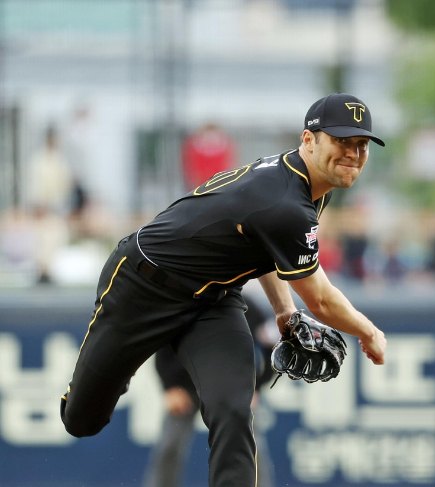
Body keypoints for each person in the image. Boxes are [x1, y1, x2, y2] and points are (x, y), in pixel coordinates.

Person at [60, 92, 388, 487]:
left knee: (234, 409)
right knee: (81, 420)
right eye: (341, 141)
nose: (353, 153)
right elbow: (319, 298)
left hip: (212, 300)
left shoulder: (307, 183)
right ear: (309, 139)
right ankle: (119, 362)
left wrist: (284, 312)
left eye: (361, 144)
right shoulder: (286, 200)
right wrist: (368, 331)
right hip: (142, 284)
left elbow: (263, 246)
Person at [143, 295, 277, 487]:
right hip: (186, 389)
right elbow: (162, 346)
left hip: (233, 389)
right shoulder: (184, 302)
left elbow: (273, 347)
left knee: (252, 448)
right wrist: (170, 387)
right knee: (170, 445)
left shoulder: (247, 306)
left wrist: (257, 388)